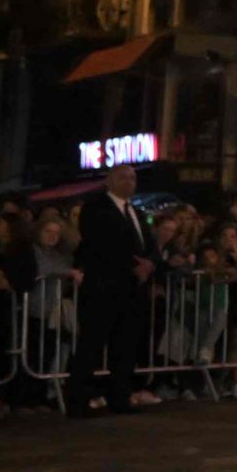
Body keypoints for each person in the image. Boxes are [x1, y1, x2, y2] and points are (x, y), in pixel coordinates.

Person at [71, 163, 154, 416]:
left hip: (132, 290)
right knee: (92, 345)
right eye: (124, 177)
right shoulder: (95, 208)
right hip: (104, 287)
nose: (129, 182)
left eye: (133, 178)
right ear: (110, 181)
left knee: (126, 345)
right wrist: (132, 265)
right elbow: (101, 244)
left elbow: (149, 244)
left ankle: (120, 397)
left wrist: (151, 264)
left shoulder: (137, 213)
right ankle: (78, 401)